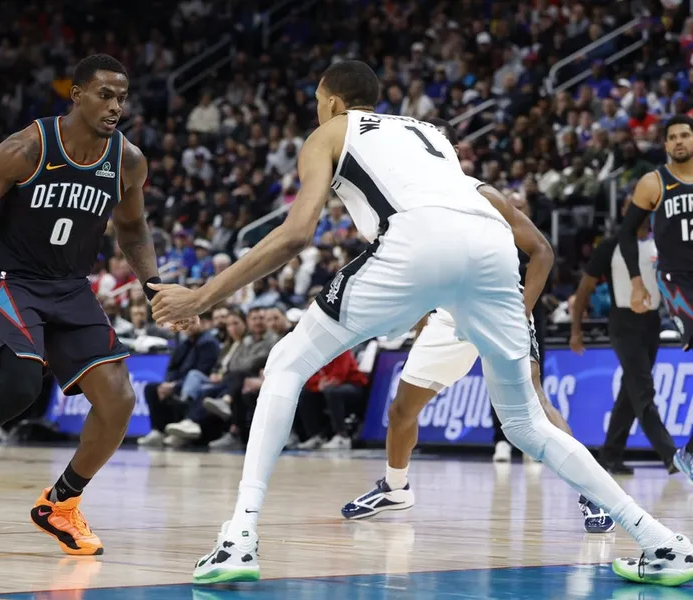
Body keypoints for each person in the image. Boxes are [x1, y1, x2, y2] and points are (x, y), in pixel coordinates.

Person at [150, 60, 693, 586]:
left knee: (287, 363)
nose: (318, 112)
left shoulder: (330, 132)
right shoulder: (428, 131)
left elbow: (296, 235)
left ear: (332, 102)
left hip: (416, 241)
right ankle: (661, 541)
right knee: (527, 423)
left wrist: (203, 295)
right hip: (490, 244)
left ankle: (240, 536)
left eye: (318, 103)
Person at [0, 54, 195, 556]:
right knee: (21, 387)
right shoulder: (28, 148)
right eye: (105, 95)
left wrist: (154, 287)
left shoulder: (128, 160)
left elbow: (134, 229)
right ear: (77, 94)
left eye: (122, 98)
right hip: (10, 281)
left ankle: (61, 504)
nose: (115, 106)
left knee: (119, 400)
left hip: (70, 287)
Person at [340, 118, 613, 534]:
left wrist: (520, 311)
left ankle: (594, 494)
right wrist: (419, 316)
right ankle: (395, 488)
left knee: (535, 405)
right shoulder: (409, 204)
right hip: (448, 314)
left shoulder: (481, 194)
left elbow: (541, 251)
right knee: (401, 410)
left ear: (447, 152)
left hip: (497, 305)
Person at [573, 197, 676, 475]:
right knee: (643, 389)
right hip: (623, 323)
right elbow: (584, 289)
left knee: (630, 392)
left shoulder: (661, 243)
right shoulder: (610, 246)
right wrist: (575, 329)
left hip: (652, 322)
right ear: (623, 211)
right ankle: (671, 455)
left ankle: (609, 455)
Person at [619, 114, 693, 481]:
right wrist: (637, 282)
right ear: (665, 144)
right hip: (677, 281)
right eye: (673, 137)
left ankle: (688, 454)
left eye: (685, 135)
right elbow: (625, 233)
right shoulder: (654, 182)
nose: (679, 141)